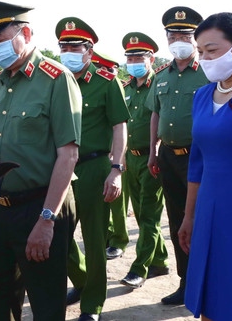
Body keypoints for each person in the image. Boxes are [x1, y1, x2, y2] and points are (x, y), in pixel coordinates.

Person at [0, 0, 81, 321]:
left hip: (41, 205)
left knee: (45, 304)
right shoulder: (0, 83)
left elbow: (68, 154)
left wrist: (46, 220)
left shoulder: (56, 79)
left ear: (25, 33)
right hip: (1, 208)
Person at [178, 12, 232, 320]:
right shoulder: (202, 96)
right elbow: (197, 164)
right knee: (211, 298)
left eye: (212, 50)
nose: (205, 59)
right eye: (200, 52)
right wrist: (189, 216)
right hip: (209, 214)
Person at [57, 18, 129, 321]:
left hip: (94, 167)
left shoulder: (106, 81)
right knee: (57, 233)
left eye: (75, 47)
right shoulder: (55, 80)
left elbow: (119, 126)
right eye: (64, 47)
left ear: (89, 51)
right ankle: (82, 280)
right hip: (60, 168)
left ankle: (92, 304)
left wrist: (116, 169)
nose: (68, 52)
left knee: (95, 239)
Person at [146, 6, 209, 306]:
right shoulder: (162, 75)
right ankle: (186, 282)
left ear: (196, 38)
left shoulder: (209, 72)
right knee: (176, 221)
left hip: (201, 158)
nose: (178, 41)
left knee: (203, 220)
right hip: (168, 157)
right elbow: (155, 114)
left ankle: (207, 282)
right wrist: (152, 151)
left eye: (184, 35)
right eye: (173, 36)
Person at [117, 32, 170, 290]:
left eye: (139, 57)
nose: (134, 62)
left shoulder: (159, 84)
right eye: (130, 58)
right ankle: (159, 260)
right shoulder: (126, 89)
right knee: (140, 214)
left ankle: (140, 268)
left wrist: (154, 152)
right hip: (130, 159)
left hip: (152, 157)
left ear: (151, 59)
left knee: (149, 214)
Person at [92, 50, 130, 262]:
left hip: (119, 153)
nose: (104, 72)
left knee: (118, 202)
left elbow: (120, 126)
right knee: (102, 200)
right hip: (101, 154)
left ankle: (119, 240)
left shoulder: (118, 87)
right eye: (100, 68)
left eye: (108, 69)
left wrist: (117, 160)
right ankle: (108, 236)